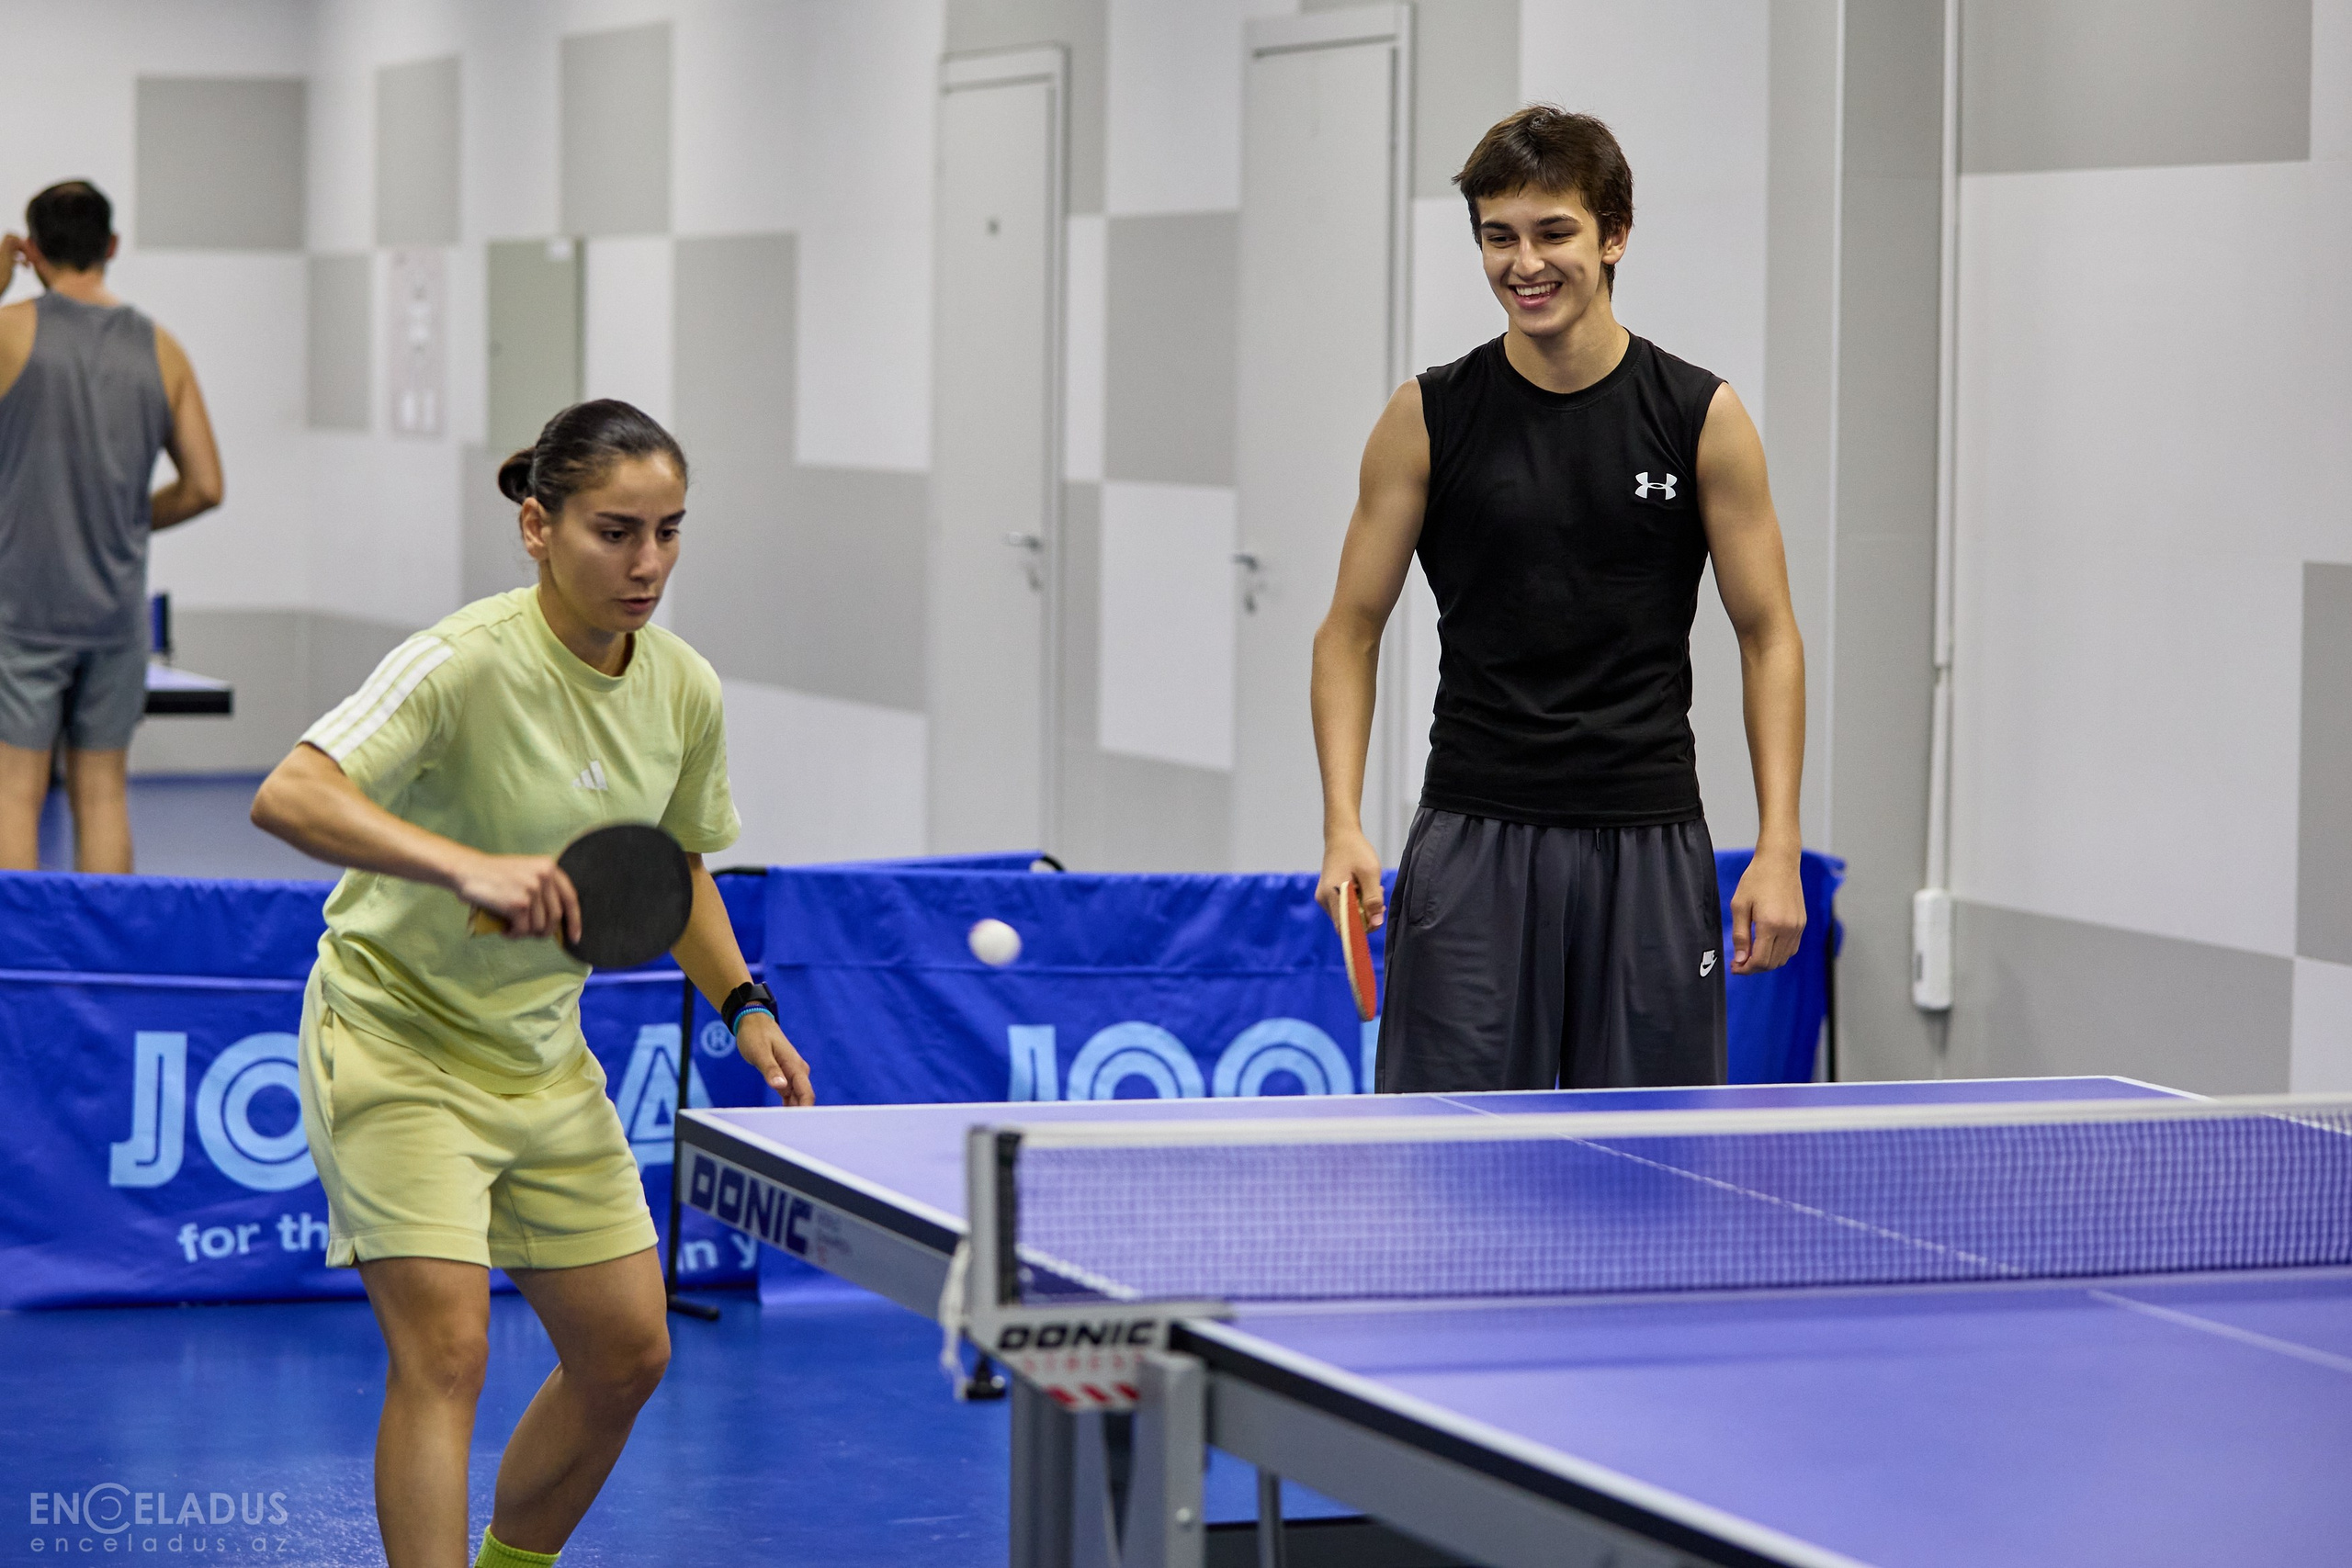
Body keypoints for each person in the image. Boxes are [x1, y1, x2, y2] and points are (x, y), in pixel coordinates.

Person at [250, 400, 815, 1568]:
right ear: (536, 528)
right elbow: (290, 795)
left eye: (668, 531)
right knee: (448, 1352)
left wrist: (744, 1006)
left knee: (628, 1355)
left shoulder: (682, 689)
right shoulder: (459, 664)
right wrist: (461, 862)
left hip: (540, 1058)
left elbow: (677, 872)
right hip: (393, 1038)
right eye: (615, 531)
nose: (647, 563)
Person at [1312, 107, 1808, 1093]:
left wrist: (1779, 845)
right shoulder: (1427, 417)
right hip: (1472, 838)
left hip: (1650, 840)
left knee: (1650, 1179)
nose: (1523, 263)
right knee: (1450, 1175)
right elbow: (1348, 633)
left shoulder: (1700, 417)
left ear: (1612, 235)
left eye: (1553, 233)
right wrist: (1341, 821)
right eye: (1499, 236)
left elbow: (1768, 637)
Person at [0, 179, 222, 872]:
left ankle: (15, 965)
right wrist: (128, 519)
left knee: (14, 791)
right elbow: (205, 485)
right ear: (112, 246)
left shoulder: (10, 332)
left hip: (20, 608)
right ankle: (104, 965)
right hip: (114, 613)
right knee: (102, 794)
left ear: (31, 252)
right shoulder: (163, 349)